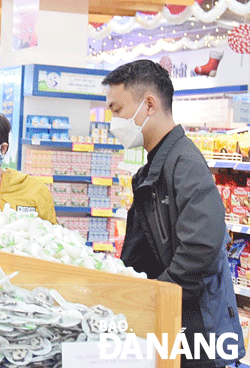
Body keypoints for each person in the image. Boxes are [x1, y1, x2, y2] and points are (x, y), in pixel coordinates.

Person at [103, 59, 244, 367]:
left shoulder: (184, 162)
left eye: (117, 110)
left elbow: (201, 245)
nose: (113, 122)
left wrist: (159, 296)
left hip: (196, 332)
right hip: (173, 323)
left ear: (149, 104)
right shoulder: (156, 165)